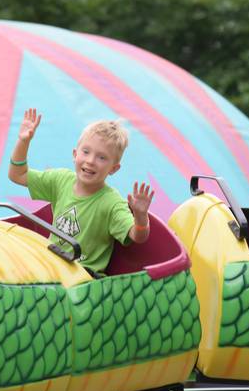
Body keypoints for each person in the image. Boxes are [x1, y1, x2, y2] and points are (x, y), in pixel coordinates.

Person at [8, 108, 154, 275]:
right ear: (75, 154)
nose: (91, 161)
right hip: (51, 262)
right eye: (86, 152)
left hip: (83, 275)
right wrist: (23, 141)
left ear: (113, 169)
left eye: (102, 158)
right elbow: (17, 175)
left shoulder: (112, 203)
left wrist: (141, 216)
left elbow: (137, 236)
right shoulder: (61, 180)